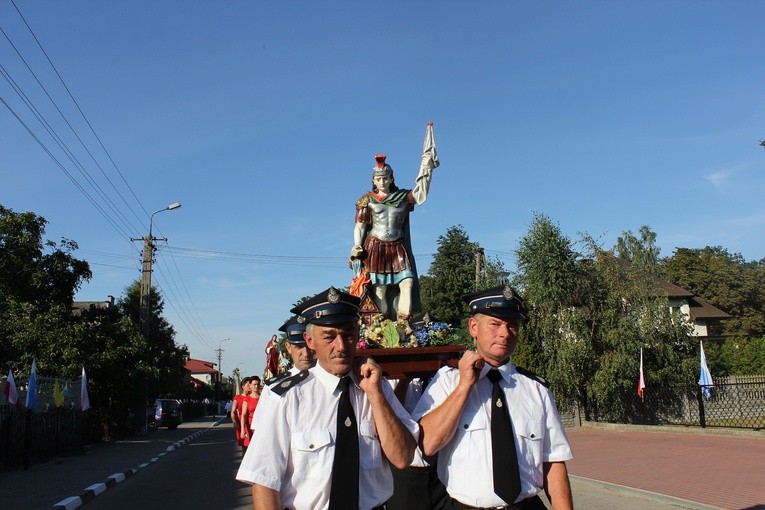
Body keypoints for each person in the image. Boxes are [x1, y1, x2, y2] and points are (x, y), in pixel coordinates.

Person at [236, 286, 419, 510]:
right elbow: (264, 481)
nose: (341, 347)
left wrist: (375, 395)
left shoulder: (375, 388)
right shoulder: (286, 397)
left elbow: (403, 457)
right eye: (329, 337)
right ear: (310, 341)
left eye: (348, 335)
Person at [413, 285, 574, 510]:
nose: (505, 333)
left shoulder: (536, 389)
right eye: (495, 324)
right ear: (473, 327)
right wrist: (465, 386)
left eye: (512, 325)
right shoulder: (448, 381)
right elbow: (427, 444)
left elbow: (553, 461)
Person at [350, 123, 439, 323]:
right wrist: (356, 245)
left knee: (407, 281)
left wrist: (427, 168)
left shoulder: (402, 197)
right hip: (376, 246)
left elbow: (420, 193)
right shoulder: (367, 200)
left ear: (391, 178)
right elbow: (361, 226)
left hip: (398, 245)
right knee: (379, 288)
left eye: (386, 178)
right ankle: (380, 327)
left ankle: (403, 322)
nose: (382, 182)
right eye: (379, 179)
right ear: (374, 180)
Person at [241, 376, 260, 449]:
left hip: (261, 425)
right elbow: (244, 415)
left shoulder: (262, 398)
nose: (256, 386)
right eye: (254, 384)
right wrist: (242, 429)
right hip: (250, 426)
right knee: (251, 448)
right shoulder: (247, 399)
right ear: (250, 386)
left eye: (258, 384)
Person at [232, 376, 250, 450]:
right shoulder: (237, 398)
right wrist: (234, 421)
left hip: (251, 421)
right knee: (245, 444)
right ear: (243, 386)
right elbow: (233, 411)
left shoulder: (252, 396)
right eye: (248, 385)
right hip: (241, 422)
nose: (250, 386)